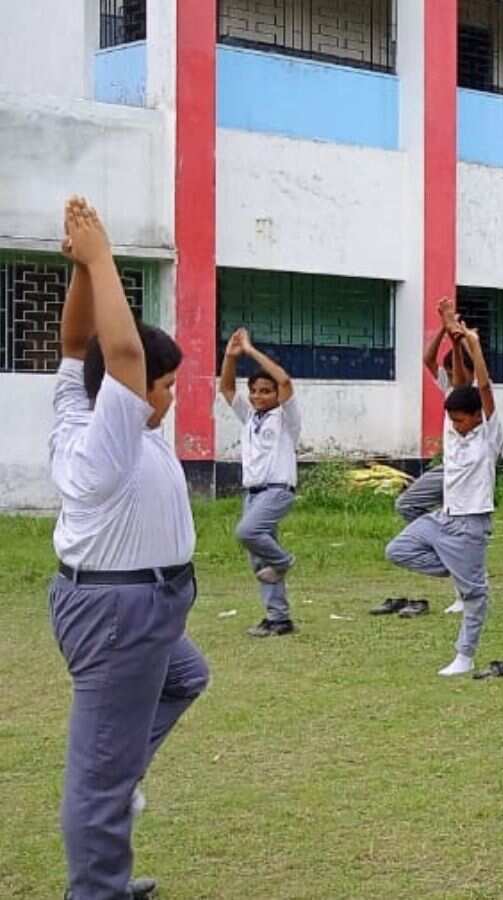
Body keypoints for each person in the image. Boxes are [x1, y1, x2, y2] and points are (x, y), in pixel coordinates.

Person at [49, 197, 208, 899]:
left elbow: (77, 345)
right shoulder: (110, 436)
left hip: (147, 604)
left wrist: (83, 274)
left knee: (185, 678)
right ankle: (97, 886)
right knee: (97, 780)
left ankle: (115, 777)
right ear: (132, 392)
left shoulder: (79, 407)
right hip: (121, 612)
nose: (169, 397)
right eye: (165, 386)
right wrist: (103, 255)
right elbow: (120, 353)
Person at [385, 325, 502, 676]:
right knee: (397, 550)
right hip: (443, 518)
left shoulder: (488, 436)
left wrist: (473, 345)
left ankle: (464, 656)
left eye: (461, 419)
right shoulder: (453, 430)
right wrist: (451, 333)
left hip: (471, 523)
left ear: (477, 416)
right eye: (452, 419)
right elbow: (456, 384)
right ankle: (463, 571)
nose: (455, 424)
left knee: (474, 598)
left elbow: (483, 388)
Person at [386, 298, 475, 615]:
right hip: (448, 467)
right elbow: (427, 360)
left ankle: (464, 588)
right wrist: (442, 329)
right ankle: (447, 554)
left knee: (457, 529)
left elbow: (463, 376)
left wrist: (458, 338)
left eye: (453, 370)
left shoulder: (473, 393)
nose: (449, 375)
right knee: (408, 504)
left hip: (467, 473)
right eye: (447, 371)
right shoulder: (450, 386)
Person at [220, 327, 302, 637]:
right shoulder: (250, 417)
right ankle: (278, 618)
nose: (258, 396)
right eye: (254, 391)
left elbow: (284, 380)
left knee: (247, 532)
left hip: (277, 491)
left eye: (265, 391)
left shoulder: (285, 418)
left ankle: (284, 561)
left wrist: (250, 350)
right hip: (253, 494)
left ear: (276, 395)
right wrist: (231, 356)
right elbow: (227, 388)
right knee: (260, 560)